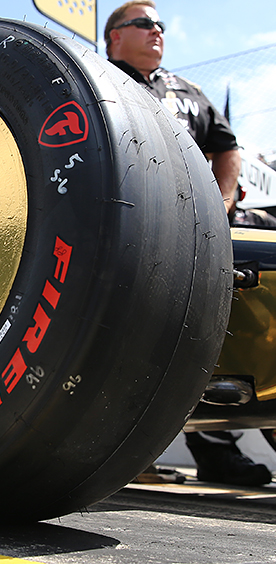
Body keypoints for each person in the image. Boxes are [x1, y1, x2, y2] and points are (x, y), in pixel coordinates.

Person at [105, 0, 271, 487]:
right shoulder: (92, 80)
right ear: (115, 36)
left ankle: (217, 443)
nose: (157, 31)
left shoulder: (188, 91)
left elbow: (227, 146)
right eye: (144, 24)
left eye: (160, 24)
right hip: (131, 225)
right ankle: (129, 448)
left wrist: (222, 201)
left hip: (209, 227)